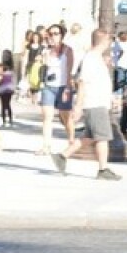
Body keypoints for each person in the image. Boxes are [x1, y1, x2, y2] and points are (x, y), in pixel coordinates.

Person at [54, 30, 121, 180]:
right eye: (109, 40)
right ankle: (103, 169)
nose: (110, 43)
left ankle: (62, 156)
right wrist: (78, 106)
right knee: (102, 137)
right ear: (103, 40)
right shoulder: (91, 58)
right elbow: (82, 82)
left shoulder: (96, 58)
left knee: (89, 136)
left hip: (98, 102)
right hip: (94, 103)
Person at [38, 24, 76, 155]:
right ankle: (46, 146)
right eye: (50, 34)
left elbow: (70, 71)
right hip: (49, 86)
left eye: (56, 33)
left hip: (63, 86)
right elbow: (44, 69)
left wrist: (67, 88)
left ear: (61, 35)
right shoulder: (46, 51)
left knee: (66, 117)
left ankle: (71, 142)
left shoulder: (68, 50)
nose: (53, 36)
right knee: (46, 116)